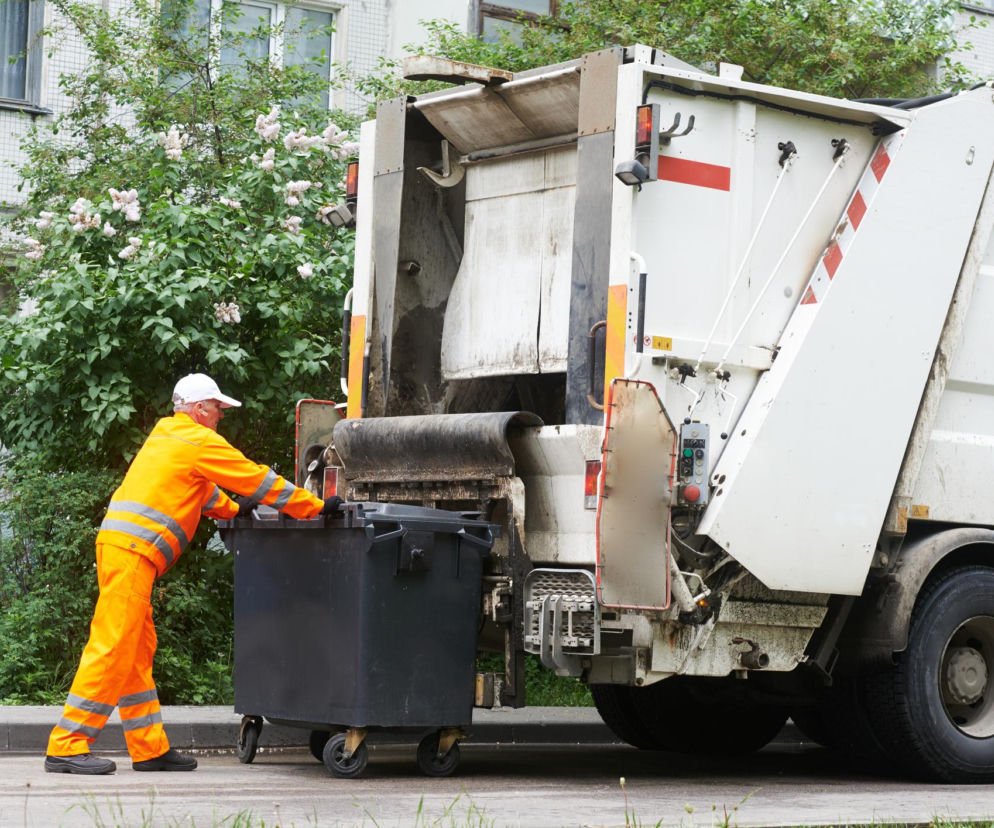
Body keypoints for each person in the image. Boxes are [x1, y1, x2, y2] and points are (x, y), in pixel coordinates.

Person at [44, 373, 343, 775]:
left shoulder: (169, 436)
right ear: (200, 408)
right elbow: (254, 478)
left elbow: (200, 491)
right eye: (218, 408)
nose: (221, 415)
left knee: (135, 652)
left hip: (123, 551)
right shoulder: (197, 440)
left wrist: (236, 511)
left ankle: (149, 749)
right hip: (132, 554)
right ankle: (67, 745)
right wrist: (313, 506)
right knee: (113, 645)